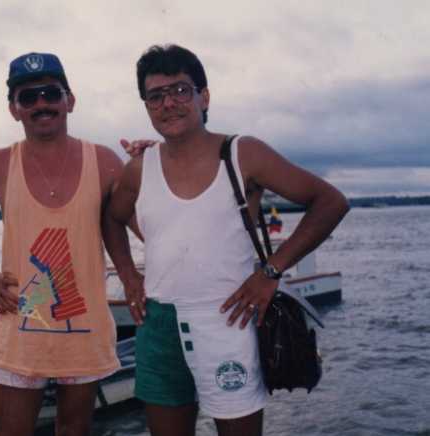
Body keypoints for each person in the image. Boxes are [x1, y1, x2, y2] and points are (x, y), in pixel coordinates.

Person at [104, 44, 350, 436]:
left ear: (204, 97)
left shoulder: (242, 154)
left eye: (180, 90)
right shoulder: (139, 168)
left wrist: (270, 272)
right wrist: (129, 275)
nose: (168, 103)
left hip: (229, 316)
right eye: (156, 96)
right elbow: (111, 218)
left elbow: (330, 202)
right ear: (147, 106)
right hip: (157, 322)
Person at [0, 52, 127, 436]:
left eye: (51, 93)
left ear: (70, 100)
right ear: (13, 109)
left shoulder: (104, 161)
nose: (41, 104)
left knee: (74, 430)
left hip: (85, 329)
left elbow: (139, 222)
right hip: (20, 332)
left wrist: (148, 166)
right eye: (28, 97)